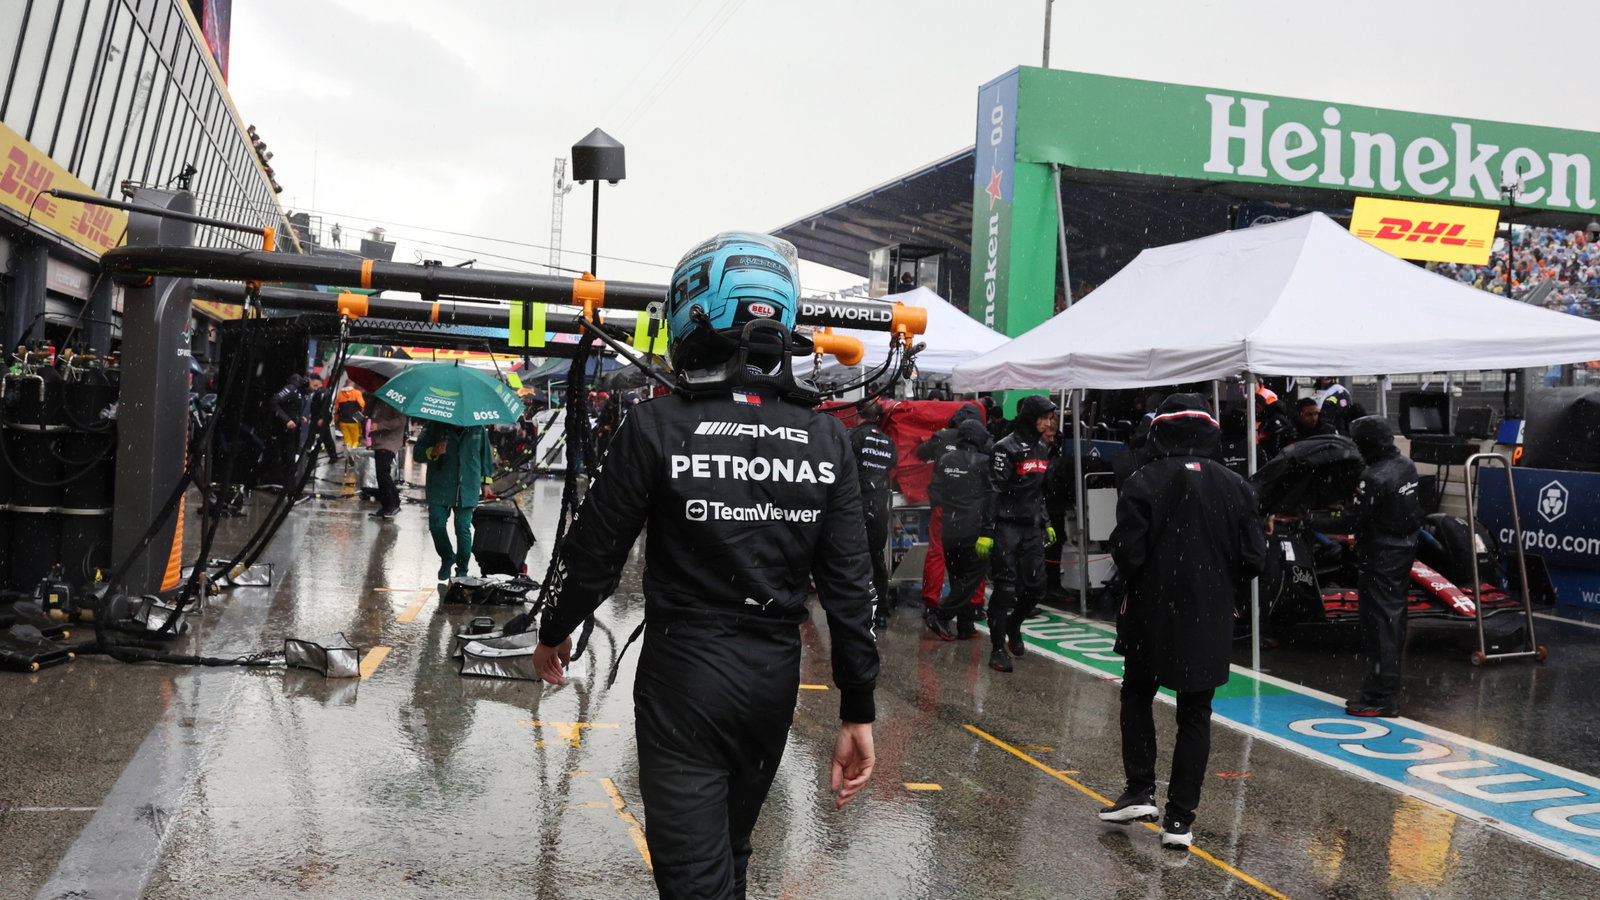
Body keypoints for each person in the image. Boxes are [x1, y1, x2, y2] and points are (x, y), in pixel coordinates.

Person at [531, 231, 877, 899]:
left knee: (697, 882)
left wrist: (555, 631)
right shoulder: (828, 435)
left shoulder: (659, 424)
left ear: (694, 311)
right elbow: (850, 591)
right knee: (731, 857)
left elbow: (594, 555)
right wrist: (857, 710)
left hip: (685, 678)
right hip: (770, 682)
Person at [1101, 394, 1267, 850]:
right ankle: (1180, 821)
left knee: (1138, 693)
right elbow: (1255, 558)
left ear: (1161, 431)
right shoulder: (1237, 485)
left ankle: (1139, 790)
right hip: (1209, 615)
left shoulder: (1143, 479)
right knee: (1196, 713)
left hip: (1150, 612)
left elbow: (1128, 553)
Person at [1344, 415, 1422, 718]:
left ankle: (1381, 698)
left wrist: (1308, 520)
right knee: (1392, 624)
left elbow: (1352, 519)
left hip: (1380, 558)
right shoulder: (1406, 465)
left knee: (1380, 629)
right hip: (1402, 553)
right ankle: (1382, 693)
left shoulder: (1374, 477)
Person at [979, 393, 1057, 673]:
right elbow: (994, 491)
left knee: (1037, 587)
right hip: (1006, 527)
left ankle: (1014, 625)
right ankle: (998, 647)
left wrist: (1046, 522)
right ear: (1031, 417)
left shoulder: (1043, 448)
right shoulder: (1004, 448)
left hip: (1031, 527)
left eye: (1051, 418)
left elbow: (1038, 492)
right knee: (1005, 588)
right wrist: (987, 530)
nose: (1050, 423)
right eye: (1045, 417)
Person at [915, 403, 986, 615]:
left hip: (944, 508)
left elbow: (921, 453)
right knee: (977, 557)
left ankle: (932, 601)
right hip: (973, 510)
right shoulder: (984, 441)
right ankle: (975, 603)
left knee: (938, 553)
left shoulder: (941, 437)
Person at [925, 418, 993, 640]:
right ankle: (942, 615)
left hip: (948, 525)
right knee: (973, 573)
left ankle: (965, 625)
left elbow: (934, 491)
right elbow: (992, 495)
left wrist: (949, 507)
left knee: (957, 575)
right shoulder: (984, 461)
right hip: (971, 526)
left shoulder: (945, 459)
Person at [413, 421, 494, 580]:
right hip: (439, 485)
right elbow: (417, 453)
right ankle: (447, 556)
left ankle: (462, 569)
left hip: (468, 486)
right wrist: (433, 451)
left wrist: (486, 483)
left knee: (462, 527)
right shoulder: (434, 426)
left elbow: (485, 457)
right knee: (436, 525)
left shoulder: (478, 428)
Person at [849, 398, 897, 628]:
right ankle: (881, 611)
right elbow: (890, 467)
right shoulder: (888, 442)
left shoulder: (852, 437)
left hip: (855, 505)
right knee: (876, 557)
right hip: (879, 506)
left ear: (858, 415)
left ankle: (857, 608)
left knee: (852, 558)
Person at [366, 387, 407, 519]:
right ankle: (386, 506)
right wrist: (372, 397)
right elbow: (367, 412)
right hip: (378, 440)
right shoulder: (379, 399)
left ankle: (393, 504)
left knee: (383, 473)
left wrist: (380, 426)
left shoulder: (395, 399)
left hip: (389, 442)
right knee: (380, 474)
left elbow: (401, 420)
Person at [334, 380, 366, 455]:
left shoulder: (339, 394)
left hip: (343, 422)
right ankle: (354, 453)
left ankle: (348, 454)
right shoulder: (357, 393)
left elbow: (336, 409)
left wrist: (337, 420)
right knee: (355, 439)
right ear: (353, 383)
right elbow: (362, 405)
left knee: (347, 439)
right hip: (354, 421)